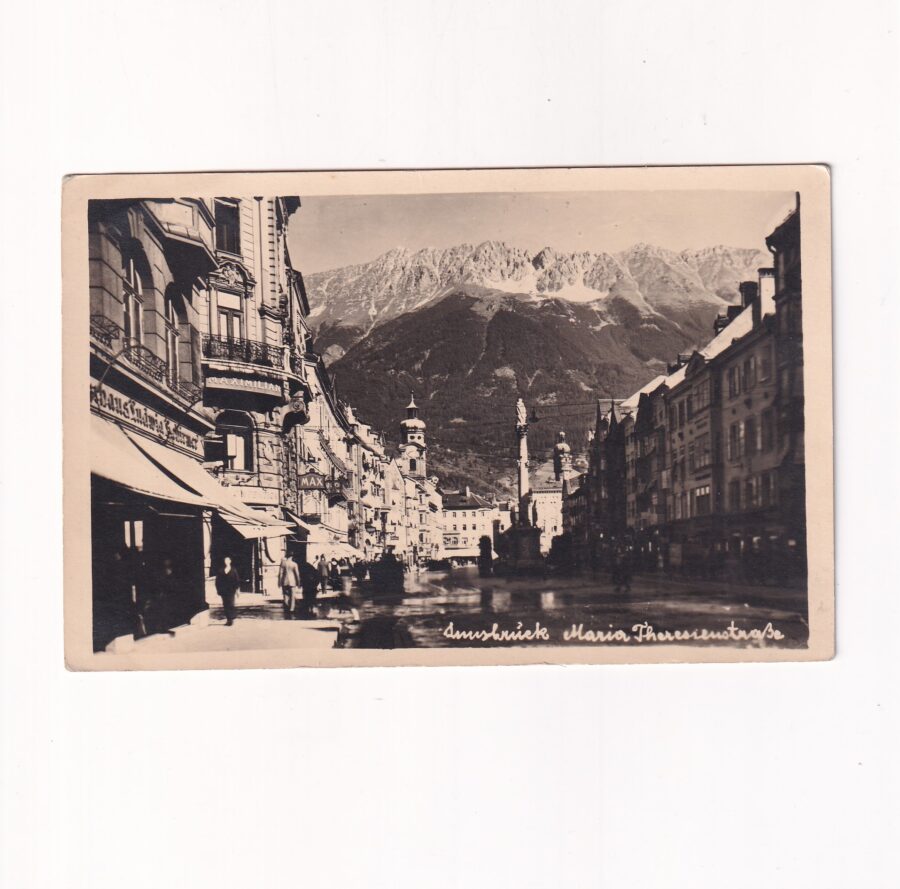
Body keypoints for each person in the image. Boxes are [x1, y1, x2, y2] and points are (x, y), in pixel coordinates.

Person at [215, 556, 241, 626]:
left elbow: (237, 581)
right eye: (225, 560)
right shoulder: (221, 570)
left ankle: (231, 618)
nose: (226, 562)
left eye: (227, 560)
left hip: (231, 590)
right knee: (225, 605)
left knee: (231, 604)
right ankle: (228, 619)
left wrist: (238, 590)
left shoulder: (233, 570)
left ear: (230, 561)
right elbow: (217, 581)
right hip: (223, 590)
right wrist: (218, 590)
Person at [278, 551, 301, 618]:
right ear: (292, 556)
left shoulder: (283, 563)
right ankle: (291, 609)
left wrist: (279, 582)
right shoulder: (294, 564)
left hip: (284, 581)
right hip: (292, 582)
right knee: (292, 596)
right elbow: (297, 574)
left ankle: (286, 608)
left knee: (285, 595)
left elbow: (280, 573)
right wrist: (298, 583)